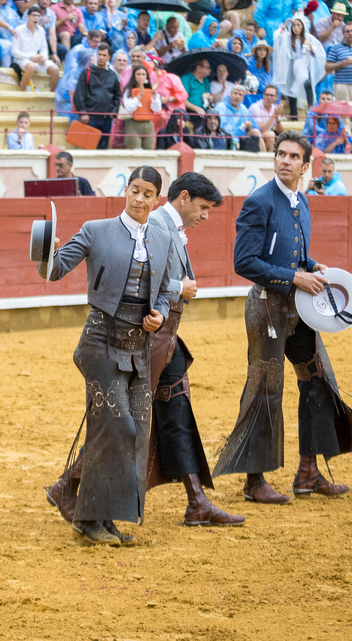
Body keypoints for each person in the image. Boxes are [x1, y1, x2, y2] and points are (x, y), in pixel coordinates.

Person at [47, 172, 242, 528]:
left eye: (147, 193)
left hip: (161, 334)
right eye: (203, 207)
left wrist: (166, 305)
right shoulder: (150, 227)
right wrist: (177, 288)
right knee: (120, 422)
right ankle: (69, 485)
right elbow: (141, 277)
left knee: (172, 410)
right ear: (182, 198)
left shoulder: (162, 229)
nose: (206, 215)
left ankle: (197, 500)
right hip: (139, 338)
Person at [214, 131, 352, 504]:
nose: (285, 161)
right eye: (280, 154)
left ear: (305, 166)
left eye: (293, 157)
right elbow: (244, 262)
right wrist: (294, 276)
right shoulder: (259, 202)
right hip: (268, 308)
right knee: (265, 387)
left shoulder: (301, 200)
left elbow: (292, 254)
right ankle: (254, 481)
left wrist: (310, 265)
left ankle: (308, 472)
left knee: (318, 379)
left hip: (300, 310)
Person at [38, 165, 179, 545]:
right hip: (100, 341)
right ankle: (86, 519)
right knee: (117, 427)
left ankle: (105, 517)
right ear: (126, 190)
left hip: (138, 346)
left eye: (148, 193)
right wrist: (46, 250)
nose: (139, 198)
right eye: (134, 190)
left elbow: (166, 290)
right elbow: (53, 271)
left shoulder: (163, 237)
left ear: (156, 199)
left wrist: (160, 313)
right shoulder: (94, 230)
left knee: (134, 433)